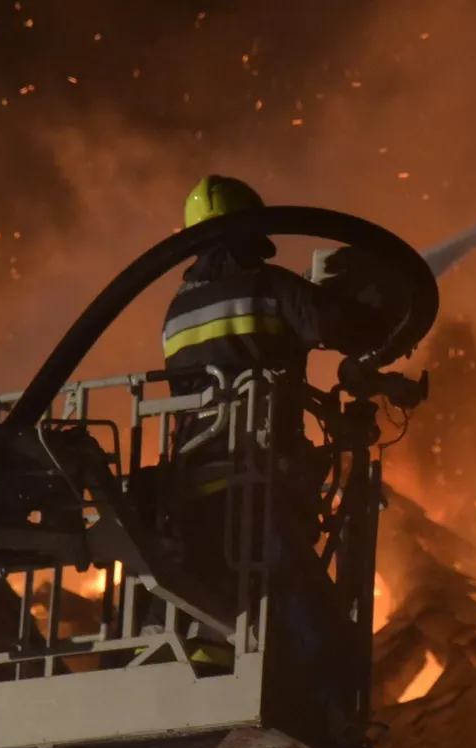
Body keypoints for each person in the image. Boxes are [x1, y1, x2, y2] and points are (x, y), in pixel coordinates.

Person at [155, 175, 385, 665]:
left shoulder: (175, 313)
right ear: (250, 231)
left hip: (196, 483)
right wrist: (370, 307)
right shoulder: (270, 286)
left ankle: (208, 685)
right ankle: (329, 711)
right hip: (260, 474)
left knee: (218, 607)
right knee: (305, 613)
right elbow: (339, 325)